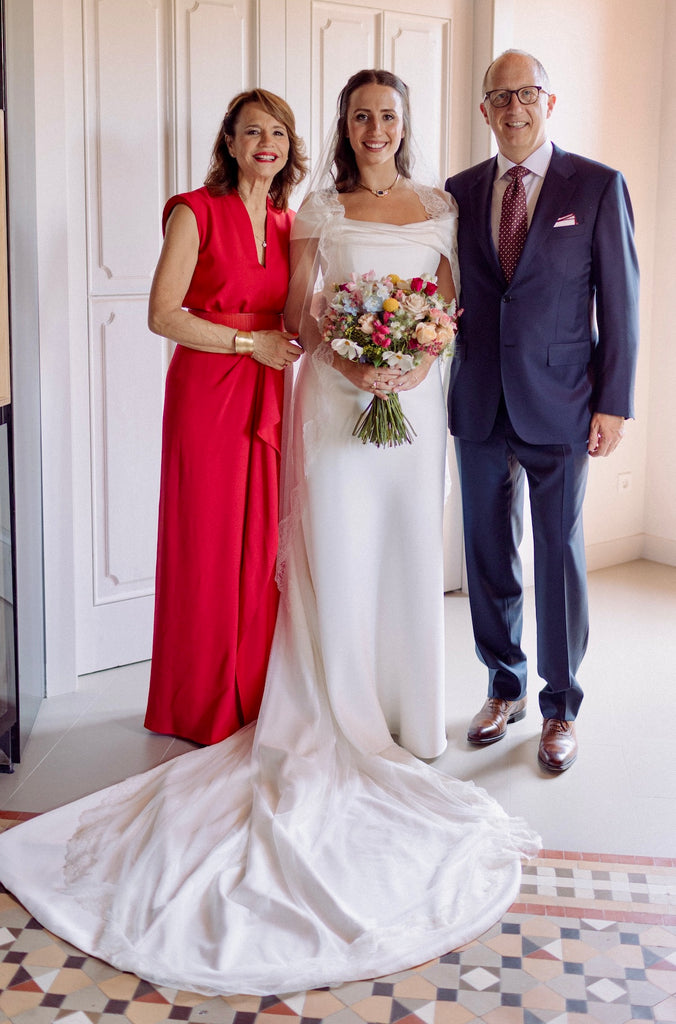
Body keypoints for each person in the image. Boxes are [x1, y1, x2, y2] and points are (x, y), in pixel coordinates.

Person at [0, 71, 539, 997]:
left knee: (394, 557)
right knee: (298, 554)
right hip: (312, 396)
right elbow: (293, 314)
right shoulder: (299, 210)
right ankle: (292, 699)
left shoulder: (437, 204)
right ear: (337, 129)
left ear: (403, 128)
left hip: (407, 404)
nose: (374, 128)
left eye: (388, 116)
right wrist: (350, 349)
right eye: (359, 115)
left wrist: (410, 352)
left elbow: (449, 304)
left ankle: (408, 711)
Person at [445, 50, 639, 772]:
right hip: (478, 403)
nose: (514, 108)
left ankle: (560, 705)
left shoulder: (595, 185)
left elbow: (620, 302)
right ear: (485, 109)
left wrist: (613, 403)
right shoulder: (459, 191)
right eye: (500, 96)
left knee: (557, 557)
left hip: (564, 404)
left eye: (526, 93)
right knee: (487, 553)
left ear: (549, 103)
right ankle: (504, 686)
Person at [143, 89, 307, 746]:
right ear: (230, 143)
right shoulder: (195, 211)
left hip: (269, 390)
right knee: (207, 543)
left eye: (279, 133)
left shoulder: (289, 223)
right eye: (252, 131)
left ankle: (256, 691)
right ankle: (199, 702)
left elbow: (296, 316)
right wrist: (249, 344)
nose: (267, 142)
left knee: (263, 544)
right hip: (208, 392)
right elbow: (163, 314)